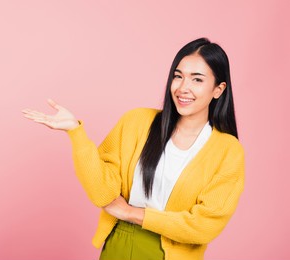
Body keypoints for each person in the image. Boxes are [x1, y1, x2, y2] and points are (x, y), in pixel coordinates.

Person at [22, 37, 245, 260]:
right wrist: (75, 133)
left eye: (197, 80)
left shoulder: (228, 151)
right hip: (119, 243)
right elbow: (102, 192)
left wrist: (131, 213)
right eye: (178, 76)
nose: (183, 88)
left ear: (218, 89)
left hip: (172, 253)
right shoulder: (137, 122)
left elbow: (204, 225)